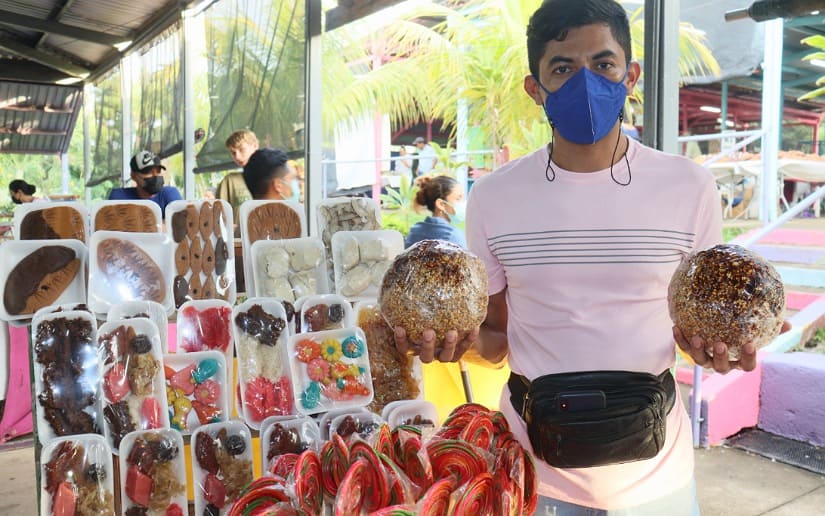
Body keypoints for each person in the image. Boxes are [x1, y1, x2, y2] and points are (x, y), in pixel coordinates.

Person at [393, 1, 789, 514]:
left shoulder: (689, 186)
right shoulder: (494, 196)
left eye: (603, 64)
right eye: (563, 68)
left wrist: (721, 348)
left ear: (630, 76)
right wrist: (453, 343)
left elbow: (695, 328)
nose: (586, 82)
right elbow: (495, 339)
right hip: (533, 473)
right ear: (535, 88)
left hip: (656, 476)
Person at [109, 150, 182, 218]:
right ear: (134, 176)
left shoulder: (170, 193)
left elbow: (182, 225)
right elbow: (114, 226)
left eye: (158, 171)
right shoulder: (120, 196)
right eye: (148, 172)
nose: (155, 176)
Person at [404, 175, 466, 248]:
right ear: (441, 204)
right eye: (458, 199)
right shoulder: (453, 236)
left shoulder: (414, 232)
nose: (463, 203)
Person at [218, 129, 258, 221]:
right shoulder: (229, 181)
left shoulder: (270, 176)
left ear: (255, 146)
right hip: (239, 235)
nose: (237, 156)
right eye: (233, 152)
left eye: (242, 149)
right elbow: (220, 216)